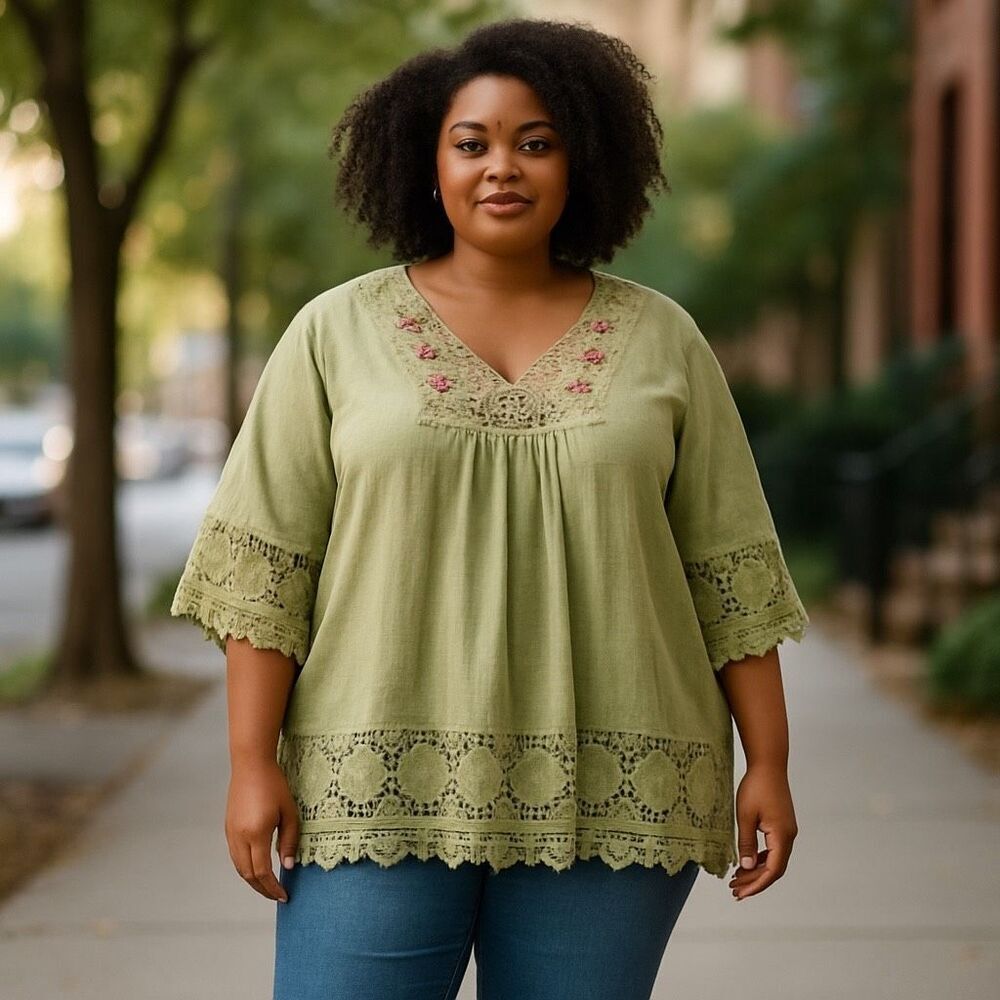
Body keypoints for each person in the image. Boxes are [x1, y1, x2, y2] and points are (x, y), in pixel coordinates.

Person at [170, 17, 809, 1000]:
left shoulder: (662, 341)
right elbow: (270, 571)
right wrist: (250, 763)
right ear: (429, 163)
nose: (501, 167)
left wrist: (767, 759)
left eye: (535, 142)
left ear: (580, 162)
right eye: (471, 143)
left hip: (619, 790)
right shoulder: (333, 335)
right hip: (371, 779)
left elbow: (726, 571)